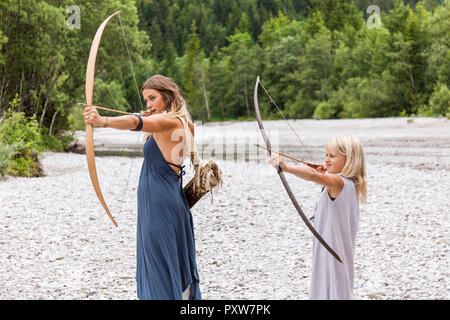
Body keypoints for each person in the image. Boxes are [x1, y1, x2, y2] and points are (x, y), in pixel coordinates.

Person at [83, 74, 201, 300]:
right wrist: (152, 120)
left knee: (160, 257)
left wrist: (102, 121)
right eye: (146, 100)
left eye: (153, 98)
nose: (148, 104)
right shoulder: (185, 123)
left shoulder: (171, 122)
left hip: (160, 203)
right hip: (168, 200)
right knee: (170, 256)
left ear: (167, 97)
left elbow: (135, 122)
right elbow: (152, 128)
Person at [269, 136, 366, 300]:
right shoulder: (351, 182)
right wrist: (328, 170)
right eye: (326, 155)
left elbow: (312, 175)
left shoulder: (338, 183)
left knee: (332, 289)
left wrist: (286, 167)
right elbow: (318, 175)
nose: (327, 160)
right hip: (333, 248)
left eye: (332, 156)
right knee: (334, 288)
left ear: (350, 160)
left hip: (332, 249)